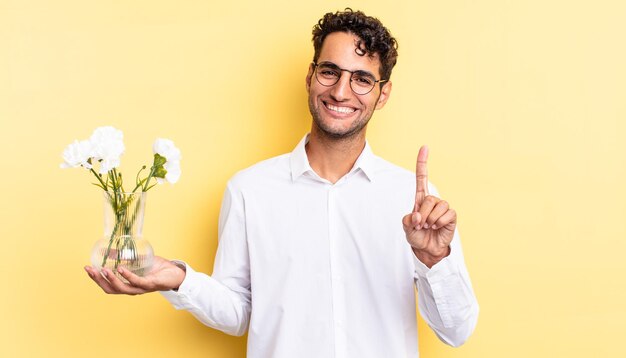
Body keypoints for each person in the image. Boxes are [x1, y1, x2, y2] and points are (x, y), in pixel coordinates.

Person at [85, 9, 479, 358]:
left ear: (383, 93)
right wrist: (178, 279)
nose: (341, 92)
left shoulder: (414, 203)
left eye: (362, 79)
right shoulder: (249, 190)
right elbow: (238, 314)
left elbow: (457, 332)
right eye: (330, 72)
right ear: (311, 75)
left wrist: (434, 261)